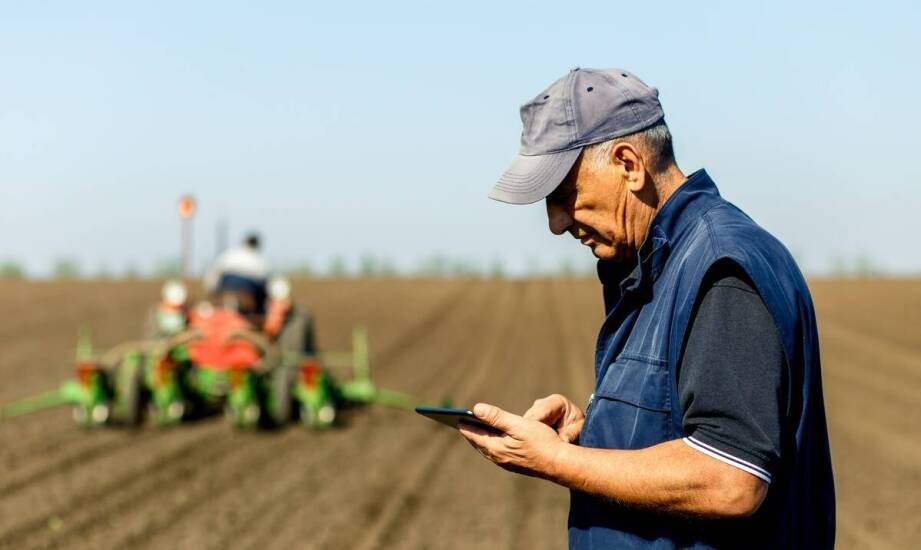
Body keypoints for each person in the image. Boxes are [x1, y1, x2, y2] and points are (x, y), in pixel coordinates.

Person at [459, 67, 835, 549]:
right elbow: (676, 427)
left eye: (563, 195)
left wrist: (556, 461)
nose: (556, 223)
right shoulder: (659, 265)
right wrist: (596, 431)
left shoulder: (720, 268)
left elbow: (731, 479)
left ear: (629, 165)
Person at [204, 233, 270, 315]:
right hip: (245, 292)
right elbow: (265, 285)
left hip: (226, 290)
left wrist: (212, 290)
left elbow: (214, 272)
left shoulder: (230, 254)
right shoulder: (260, 261)